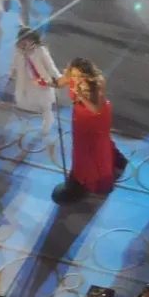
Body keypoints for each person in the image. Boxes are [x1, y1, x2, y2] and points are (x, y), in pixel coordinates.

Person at [55, 58, 125, 202]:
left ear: (87, 73)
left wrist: (80, 95)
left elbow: (96, 109)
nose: (76, 78)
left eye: (80, 75)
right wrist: (47, 81)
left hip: (95, 118)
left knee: (93, 148)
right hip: (80, 116)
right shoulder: (73, 77)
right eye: (74, 75)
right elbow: (59, 83)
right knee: (81, 145)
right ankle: (114, 160)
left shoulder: (96, 82)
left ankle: (96, 179)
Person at [10, 26, 63, 138]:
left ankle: (47, 125)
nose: (23, 44)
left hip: (42, 82)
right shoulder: (18, 50)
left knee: (45, 105)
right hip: (27, 82)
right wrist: (11, 72)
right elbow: (14, 64)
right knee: (26, 102)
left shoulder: (41, 51)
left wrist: (57, 77)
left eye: (26, 41)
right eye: (22, 41)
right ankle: (25, 124)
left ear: (32, 41)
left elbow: (50, 66)